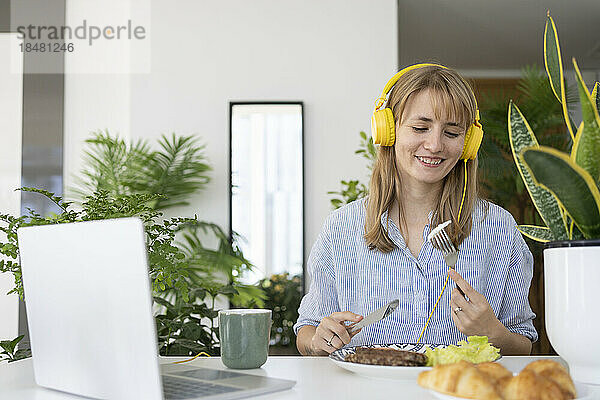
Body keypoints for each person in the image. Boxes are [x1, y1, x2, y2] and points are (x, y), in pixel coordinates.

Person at [293, 64, 537, 357]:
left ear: (468, 143)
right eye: (420, 128)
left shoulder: (498, 228)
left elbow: (524, 344)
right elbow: (307, 330)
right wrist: (318, 339)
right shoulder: (341, 228)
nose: (434, 145)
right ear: (388, 130)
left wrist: (492, 332)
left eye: (452, 132)